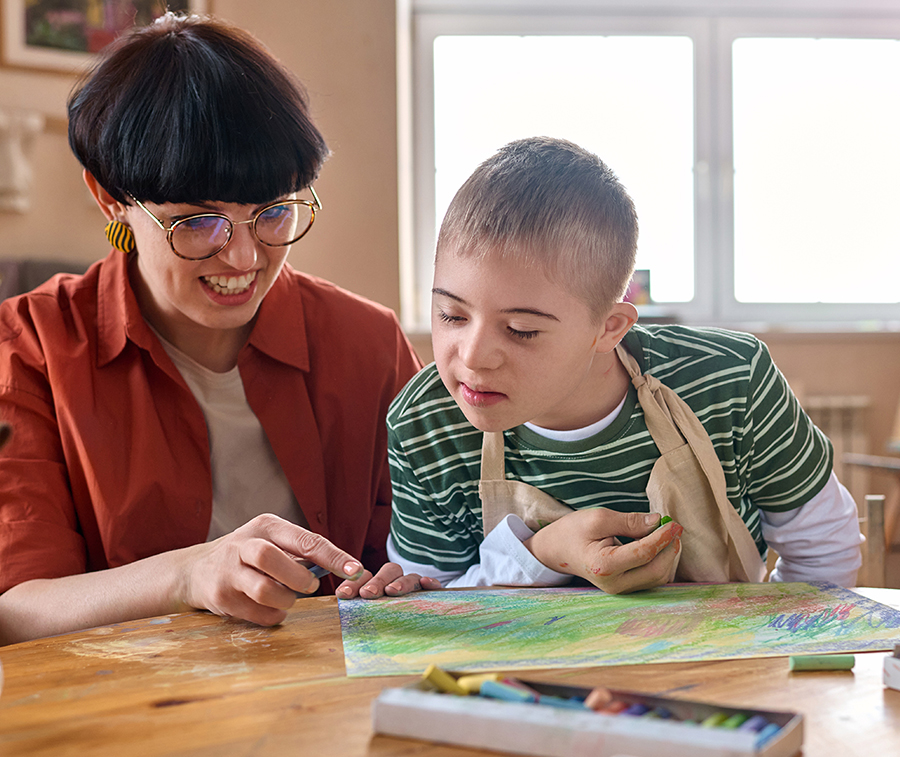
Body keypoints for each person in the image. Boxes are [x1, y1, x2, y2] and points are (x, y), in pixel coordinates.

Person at [0, 14, 420, 644]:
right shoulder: (30, 348)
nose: (245, 258)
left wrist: (411, 577)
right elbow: (16, 609)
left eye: (273, 212)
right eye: (198, 222)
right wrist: (188, 574)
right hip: (127, 694)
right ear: (111, 197)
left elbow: (439, 549)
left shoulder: (368, 343)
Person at [343, 136, 861, 599]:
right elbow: (435, 605)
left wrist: (774, 652)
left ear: (610, 328)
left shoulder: (731, 382)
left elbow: (823, 551)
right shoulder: (425, 424)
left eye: (521, 330)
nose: (473, 356)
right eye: (451, 315)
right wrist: (542, 554)